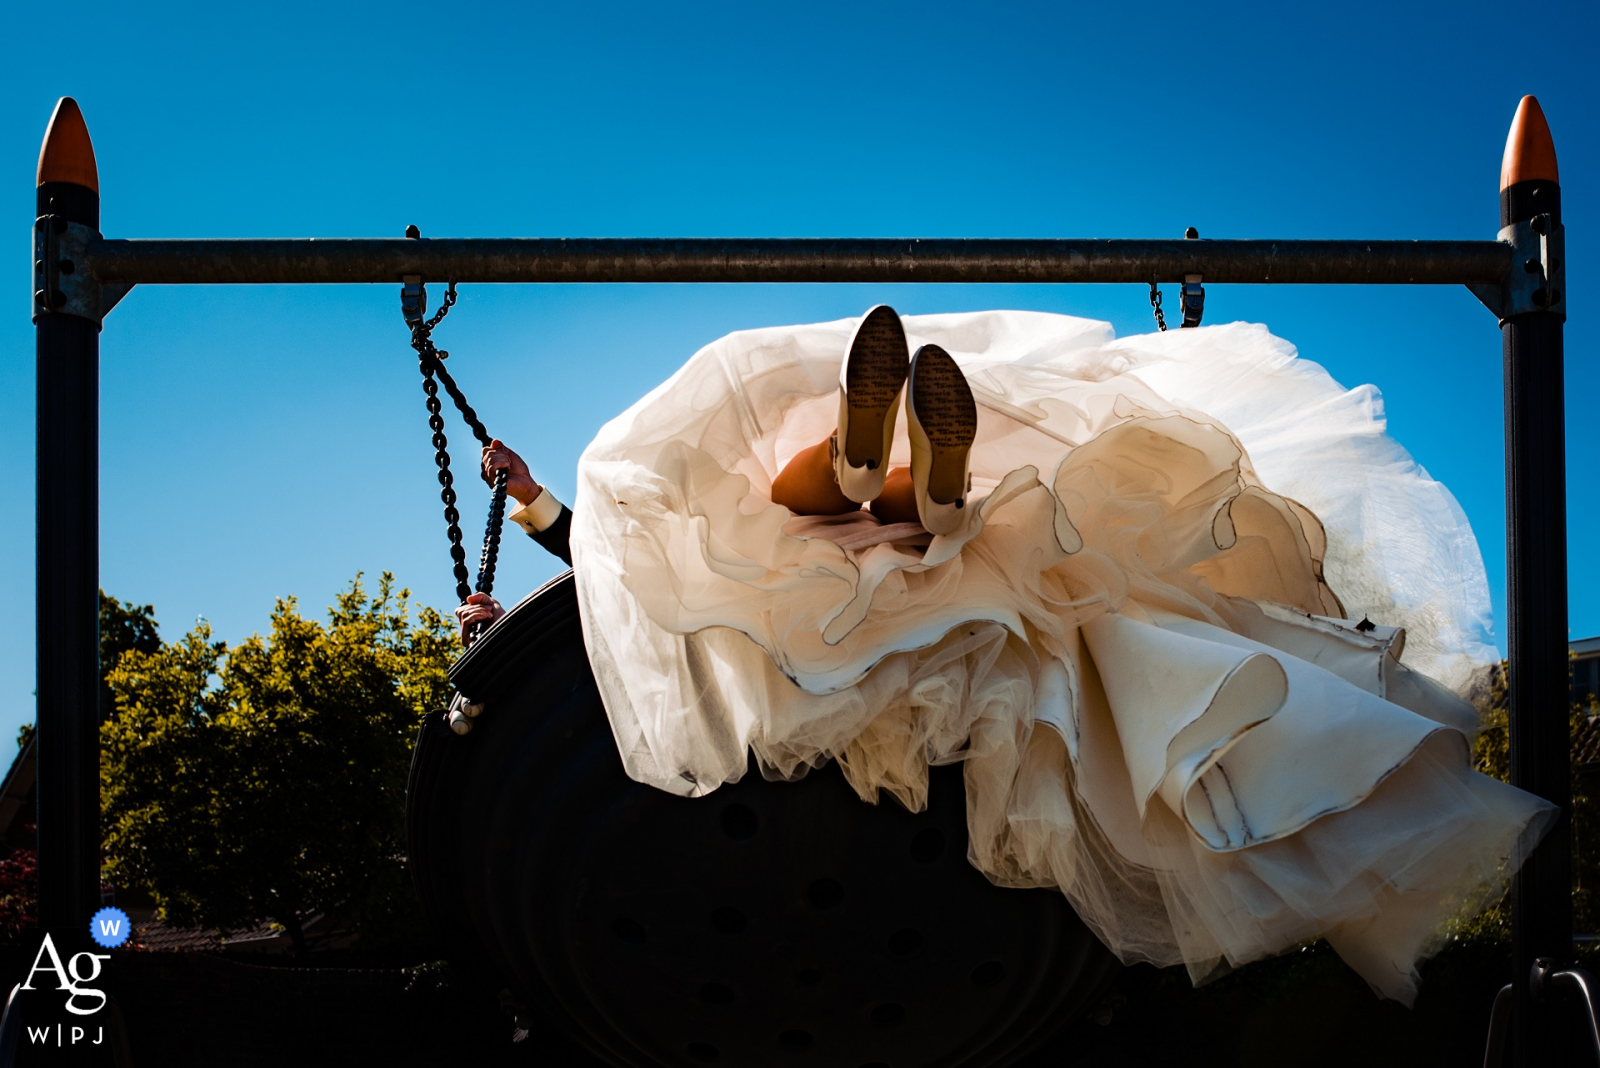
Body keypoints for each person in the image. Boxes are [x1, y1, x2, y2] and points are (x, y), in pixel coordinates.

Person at [454, 304, 1555, 1006]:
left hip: (838, 620)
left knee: (724, 547)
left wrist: (537, 512)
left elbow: (613, 581)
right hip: (945, 574)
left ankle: (855, 473)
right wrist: (530, 519)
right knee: (798, 542)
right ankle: (895, 484)